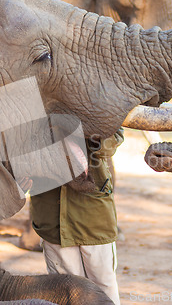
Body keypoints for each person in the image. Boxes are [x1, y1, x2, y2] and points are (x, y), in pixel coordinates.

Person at [30, 129, 124, 305]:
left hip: (93, 218)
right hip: (52, 218)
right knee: (65, 290)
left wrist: (85, 140)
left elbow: (111, 142)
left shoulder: (100, 107)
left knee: (103, 286)